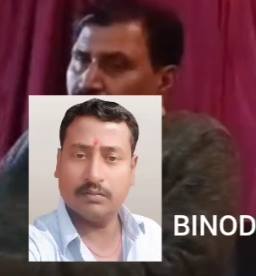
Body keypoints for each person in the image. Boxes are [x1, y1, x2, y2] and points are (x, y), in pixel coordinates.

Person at [0, 0, 240, 274]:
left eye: (116, 65)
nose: (88, 81)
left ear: (164, 80)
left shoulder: (195, 143)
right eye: (81, 60)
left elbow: (188, 267)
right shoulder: (42, 138)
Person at [30, 98, 162, 262]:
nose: (94, 175)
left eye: (112, 158)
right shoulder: (33, 247)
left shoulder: (153, 238)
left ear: (132, 169)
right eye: (80, 156)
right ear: (59, 162)